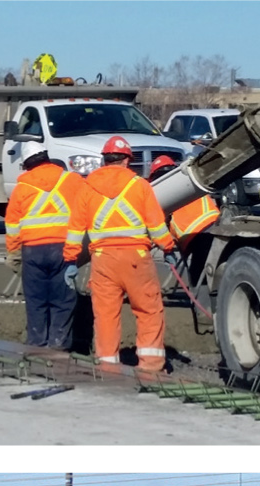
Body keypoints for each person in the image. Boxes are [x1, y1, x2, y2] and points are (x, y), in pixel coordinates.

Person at [66, 136, 176, 373]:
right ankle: (151, 367)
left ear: (104, 160)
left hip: (103, 259)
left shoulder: (87, 187)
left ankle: (107, 367)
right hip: (136, 257)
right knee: (148, 310)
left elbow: (75, 228)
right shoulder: (139, 185)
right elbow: (156, 225)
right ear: (126, 160)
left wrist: (71, 260)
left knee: (105, 315)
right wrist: (168, 248)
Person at [3, 142, 89, 350]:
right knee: (63, 300)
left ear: (26, 165)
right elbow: (87, 208)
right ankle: (59, 345)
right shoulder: (72, 181)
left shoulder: (21, 188)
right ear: (47, 157)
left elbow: (12, 225)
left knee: (36, 301)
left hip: (32, 251)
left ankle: (37, 344)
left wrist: (14, 252)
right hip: (63, 249)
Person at [149, 155, 220, 284]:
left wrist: (166, 249)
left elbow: (159, 228)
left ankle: (202, 302)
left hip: (195, 237)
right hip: (216, 227)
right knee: (213, 273)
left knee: (199, 279)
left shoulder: (163, 197)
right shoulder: (188, 187)